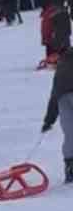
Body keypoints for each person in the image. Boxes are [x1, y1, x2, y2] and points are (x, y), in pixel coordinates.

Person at [42, 48, 73, 185]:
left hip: (62, 99)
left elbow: (54, 95)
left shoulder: (62, 67)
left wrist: (49, 120)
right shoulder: (63, 66)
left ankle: (70, 167)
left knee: (70, 134)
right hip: (64, 98)